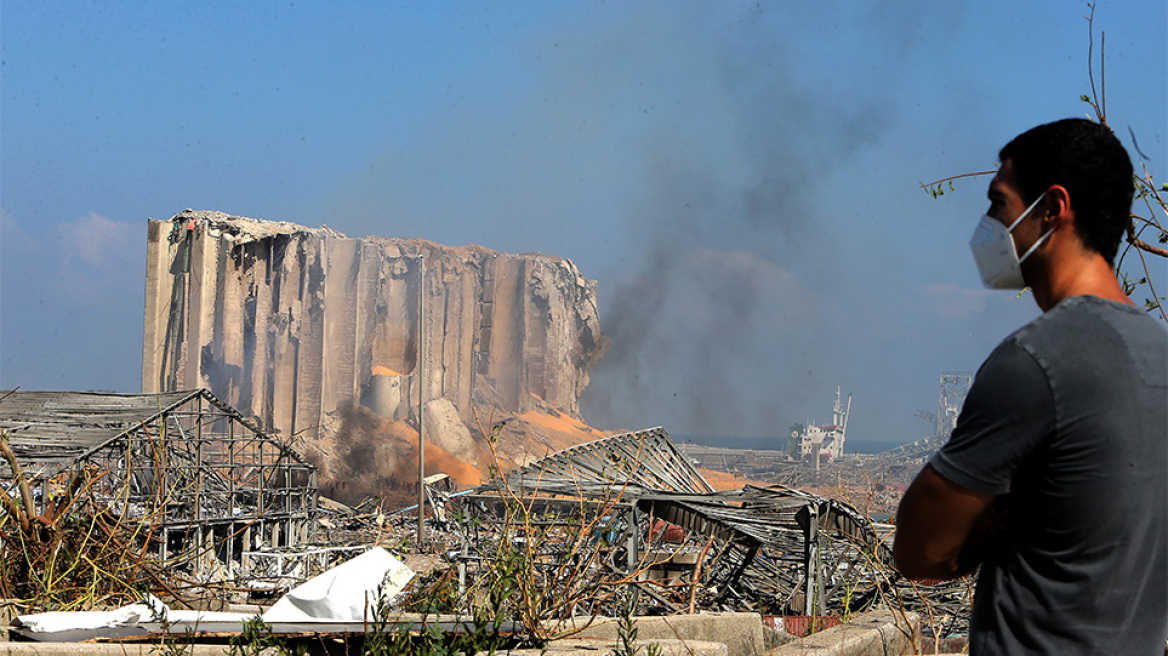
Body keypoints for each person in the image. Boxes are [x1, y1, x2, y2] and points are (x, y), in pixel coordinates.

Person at [893, 118, 1167, 654]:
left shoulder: (1036, 361)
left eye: (999, 201)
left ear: (1052, 207)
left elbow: (918, 548)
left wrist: (984, 529)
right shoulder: (1160, 354)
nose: (990, 223)